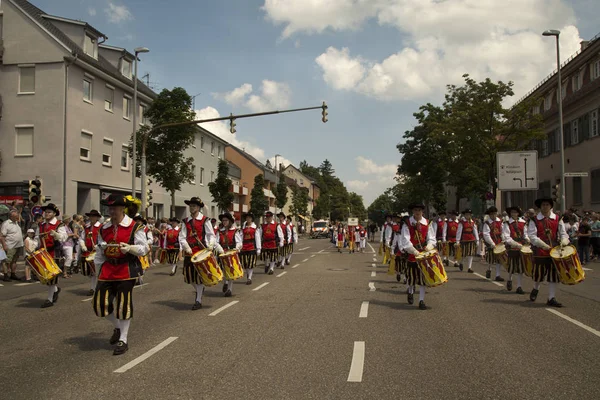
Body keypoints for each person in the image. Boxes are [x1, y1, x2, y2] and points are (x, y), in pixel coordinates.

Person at [93, 194, 149, 355]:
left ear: (122, 209)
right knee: (99, 306)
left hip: (126, 269)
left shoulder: (134, 227)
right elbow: (99, 251)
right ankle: (117, 327)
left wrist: (130, 248)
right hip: (108, 269)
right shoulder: (104, 229)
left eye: (115, 209)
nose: (112, 212)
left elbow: (144, 248)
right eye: (109, 209)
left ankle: (123, 339)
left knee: (123, 304)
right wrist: (98, 270)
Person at [527, 197, 569, 307]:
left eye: (547, 205)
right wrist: (542, 245)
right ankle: (536, 288)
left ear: (551, 206)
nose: (545, 207)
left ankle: (551, 297)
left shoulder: (557, 218)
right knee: (539, 274)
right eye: (543, 205)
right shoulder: (534, 220)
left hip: (554, 251)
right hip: (540, 250)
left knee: (554, 274)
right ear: (540, 207)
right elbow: (532, 235)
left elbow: (563, 233)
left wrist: (564, 240)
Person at [179, 197, 217, 310]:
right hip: (189, 253)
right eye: (190, 206)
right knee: (189, 277)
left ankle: (198, 300)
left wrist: (210, 246)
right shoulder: (186, 221)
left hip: (201, 252)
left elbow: (211, 235)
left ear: (199, 207)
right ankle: (200, 290)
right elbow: (182, 237)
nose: (192, 208)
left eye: (194, 206)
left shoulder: (205, 220)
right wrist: (186, 247)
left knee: (199, 277)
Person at [400, 203, 436, 310]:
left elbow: (432, 238)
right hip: (412, 253)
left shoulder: (428, 223)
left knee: (422, 278)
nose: (417, 212)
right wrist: (414, 251)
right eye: (415, 210)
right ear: (413, 212)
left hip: (424, 254)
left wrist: (429, 246)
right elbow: (405, 240)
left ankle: (421, 300)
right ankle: (410, 292)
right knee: (411, 277)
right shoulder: (407, 223)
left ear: (422, 211)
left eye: (419, 210)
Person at [36, 203, 68, 308]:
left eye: (49, 212)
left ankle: (49, 299)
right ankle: (55, 290)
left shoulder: (59, 224)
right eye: (46, 212)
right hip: (43, 253)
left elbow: (64, 237)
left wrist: (56, 235)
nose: (47, 214)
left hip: (54, 253)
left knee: (51, 277)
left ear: (54, 214)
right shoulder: (41, 225)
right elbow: (37, 239)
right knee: (46, 276)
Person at [502, 206, 528, 294]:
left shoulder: (523, 223)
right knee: (512, 266)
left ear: (518, 213)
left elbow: (525, 234)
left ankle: (519, 286)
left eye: (515, 212)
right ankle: (509, 279)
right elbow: (507, 237)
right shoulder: (507, 223)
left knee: (520, 267)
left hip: (522, 247)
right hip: (512, 246)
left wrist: (527, 239)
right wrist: (515, 244)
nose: (514, 214)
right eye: (512, 212)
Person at [216, 212, 242, 297]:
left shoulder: (235, 231)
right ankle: (225, 282)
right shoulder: (219, 231)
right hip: (222, 253)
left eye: (226, 220)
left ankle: (229, 289)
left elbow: (239, 242)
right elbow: (216, 242)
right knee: (223, 270)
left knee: (231, 271)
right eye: (223, 220)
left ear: (230, 221)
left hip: (231, 253)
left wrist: (237, 248)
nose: (224, 222)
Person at [79, 209, 102, 295]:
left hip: (98, 252)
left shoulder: (101, 227)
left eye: (94, 216)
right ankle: (93, 287)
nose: (92, 218)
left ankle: (96, 287)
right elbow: (81, 238)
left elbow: (104, 239)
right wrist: (83, 245)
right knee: (91, 271)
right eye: (90, 216)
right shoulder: (86, 227)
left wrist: (98, 246)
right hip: (88, 251)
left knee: (96, 271)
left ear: (97, 217)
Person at [1, 208, 24, 282]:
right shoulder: (6, 224)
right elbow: (2, 236)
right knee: (7, 261)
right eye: (16, 216)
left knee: (14, 261)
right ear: (11, 217)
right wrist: (4, 245)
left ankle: (13, 274)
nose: (18, 217)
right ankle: (5, 275)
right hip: (10, 246)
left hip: (18, 245)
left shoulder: (16, 222)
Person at [482, 206, 505, 282]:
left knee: (499, 259)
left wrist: (503, 240)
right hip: (491, 242)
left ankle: (498, 275)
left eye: (495, 214)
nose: (493, 216)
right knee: (491, 258)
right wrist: (491, 243)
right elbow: (486, 234)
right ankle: (489, 269)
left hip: (499, 242)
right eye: (492, 214)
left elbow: (503, 231)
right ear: (489, 215)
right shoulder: (487, 223)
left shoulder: (500, 222)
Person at [240, 212, 261, 285]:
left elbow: (257, 238)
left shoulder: (255, 228)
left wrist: (258, 248)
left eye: (249, 218)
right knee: (245, 263)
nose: (248, 219)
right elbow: (241, 237)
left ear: (252, 219)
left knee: (250, 263)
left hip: (252, 247)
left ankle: (249, 277)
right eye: (247, 218)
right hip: (244, 247)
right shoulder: (243, 228)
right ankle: (248, 275)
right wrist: (240, 246)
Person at [455, 209, 478, 273]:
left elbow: (475, 231)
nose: (468, 216)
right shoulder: (462, 222)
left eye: (469, 214)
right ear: (464, 215)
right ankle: (461, 262)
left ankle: (469, 267)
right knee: (464, 253)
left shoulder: (472, 222)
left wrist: (477, 239)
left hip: (471, 239)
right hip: (464, 239)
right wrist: (457, 241)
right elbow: (459, 232)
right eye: (466, 214)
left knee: (471, 253)